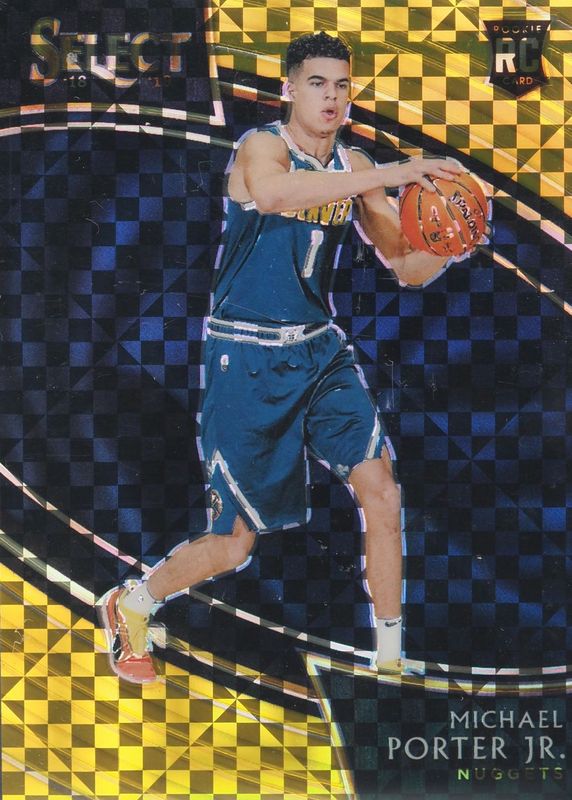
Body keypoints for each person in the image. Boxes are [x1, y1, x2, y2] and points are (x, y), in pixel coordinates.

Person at [98, 31, 476, 683]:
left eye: (341, 85)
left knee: (382, 492)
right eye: (317, 84)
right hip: (246, 357)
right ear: (290, 90)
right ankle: (132, 604)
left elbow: (405, 265)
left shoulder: (352, 163)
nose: (331, 97)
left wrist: (453, 240)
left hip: (318, 352)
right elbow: (275, 196)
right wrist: (391, 174)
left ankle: (390, 662)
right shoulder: (263, 147)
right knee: (234, 543)